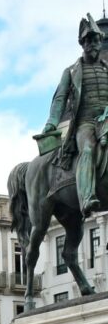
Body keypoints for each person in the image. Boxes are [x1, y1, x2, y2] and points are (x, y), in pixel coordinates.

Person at [42, 14, 108, 217]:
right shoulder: (71, 72)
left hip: (106, 119)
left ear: (100, 42)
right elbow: (60, 98)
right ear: (82, 44)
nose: (92, 44)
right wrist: (52, 122)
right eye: (88, 41)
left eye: (95, 40)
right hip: (86, 122)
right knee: (87, 149)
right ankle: (87, 197)